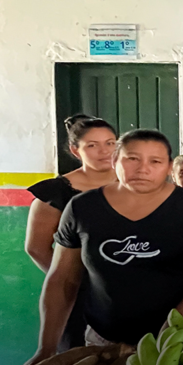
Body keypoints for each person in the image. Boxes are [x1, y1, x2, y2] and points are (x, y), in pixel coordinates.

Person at [24, 129, 183, 365]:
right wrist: (46, 348)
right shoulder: (82, 208)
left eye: (155, 161)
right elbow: (62, 279)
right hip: (103, 341)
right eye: (132, 159)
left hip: (180, 339)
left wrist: (176, 322)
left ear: (169, 167)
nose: (143, 169)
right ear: (115, 160)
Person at [25, 114, 118, 351]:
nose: (104, 151)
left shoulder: (137, 184)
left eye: (110, 143)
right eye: (92, 145)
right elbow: (36, 248)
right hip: (81, 301)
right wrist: (75, 282)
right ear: (75, 151)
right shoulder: (56, 193)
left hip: (133, 296)